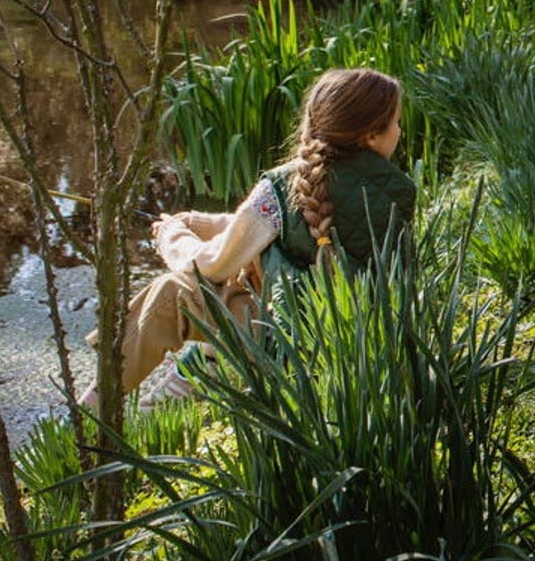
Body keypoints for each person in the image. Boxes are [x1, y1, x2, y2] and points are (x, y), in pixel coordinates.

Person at [90, 67, 415, 405]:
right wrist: (200, 221)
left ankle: (94, 410)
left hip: (296, 355)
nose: (399, 130)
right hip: (371, 350)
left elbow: (209, 266)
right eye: (396, 122)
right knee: (245, 274)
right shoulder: (396, 191)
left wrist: (171, 236)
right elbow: (288, 229)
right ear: (370, 137)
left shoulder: (286, 185)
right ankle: (186, 381)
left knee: (174, 293)